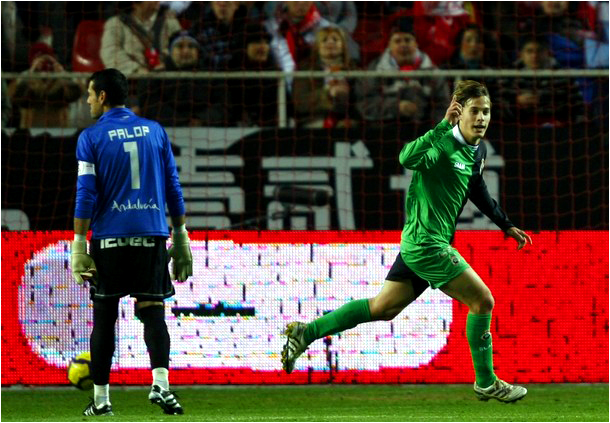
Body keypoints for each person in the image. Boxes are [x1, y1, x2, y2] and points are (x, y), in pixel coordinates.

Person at [282, 80, 532, 403]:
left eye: (486, 111)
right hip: (427, 245)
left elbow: (477, 188)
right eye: (475, 111)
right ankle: (486, 381)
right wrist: (442, 126)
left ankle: (307, 332)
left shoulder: (478, 150)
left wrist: (505, 224)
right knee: (483, 301)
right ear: (458, 111)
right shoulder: (442, 144)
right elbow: (406, 158)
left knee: (382, 307)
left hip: (423, 243)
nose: (482, 118)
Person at [71, 68, 192, 416]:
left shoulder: (91, 137)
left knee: (104, 319)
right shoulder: (155, 131)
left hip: (109, 240)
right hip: (151, 236)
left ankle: (101, 400)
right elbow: (172, 186)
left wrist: (79, 245)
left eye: (90, 94)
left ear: (103, 96)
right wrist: (181, 235)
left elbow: (86, 194)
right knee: (153, 313)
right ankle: (161, 386)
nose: (88, 101)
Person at [356, 17, 448, 125]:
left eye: (407, 40)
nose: (403, 45)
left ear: (416, 44)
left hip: (425, 129)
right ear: (389, 45)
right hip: (384, 128)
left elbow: (443, 105)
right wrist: (396, 106)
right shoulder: (375, 70)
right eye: (397, 41)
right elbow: (365, 103)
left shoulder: (433, 72)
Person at [138, 30, 230, 127]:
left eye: (191, 46)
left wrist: (201, 119)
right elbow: (152, 107)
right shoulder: (155, 78)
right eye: (180, 46)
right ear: (170, 51)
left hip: (207, 129)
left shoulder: (212, 77)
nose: (186, 51)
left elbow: (224, 106)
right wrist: (182, 122)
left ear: (198, 51)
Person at [507, 36, 585, 127]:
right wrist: (516, 101)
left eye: (539, 51)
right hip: (521, 128)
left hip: (559, 127)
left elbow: (578, 106)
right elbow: (500, 109)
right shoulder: (510, 76)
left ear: (548, 53)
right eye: (529, 51)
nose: (535, 56)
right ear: (521, 54)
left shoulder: (564, 76)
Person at [292, 26, 359, 128]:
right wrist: (327, 93)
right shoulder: (304, 68)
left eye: (335, 39)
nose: (330, 43)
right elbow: (300, 102)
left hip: (346, 120)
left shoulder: (354, 68)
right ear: (317, 46)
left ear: (343, 45)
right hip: (314, 120)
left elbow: (360, 99)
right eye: (324, 40)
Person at [9, 42, 82, 128]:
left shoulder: (61, 75)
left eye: (46, 58)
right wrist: (31, 73)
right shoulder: (25, 75)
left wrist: (62, 75)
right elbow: (12, 95)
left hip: (59, 129)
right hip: (30, 129)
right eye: (39, 59)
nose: (43, 62)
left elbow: (77, 94)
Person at [100, 1, 181, 74]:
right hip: (131, 78)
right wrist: (136, 70)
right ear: (135, 4)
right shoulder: (115, 23)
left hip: (166, 76)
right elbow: (110, 53)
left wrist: (167, 64)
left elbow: (181, 46)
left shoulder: (170, 21)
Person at [228, 22, 278, 127]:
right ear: (244, 46)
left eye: (266, 43)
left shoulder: (275, 74)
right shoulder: (229, 72)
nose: (263, 47)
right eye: (257, 42)